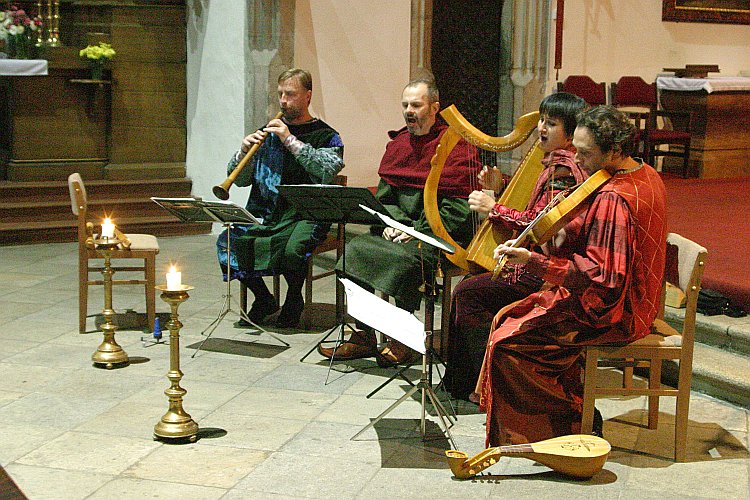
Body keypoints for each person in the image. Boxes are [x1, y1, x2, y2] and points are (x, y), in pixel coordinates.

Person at [478, 105, 667, 446]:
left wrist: (533, 261)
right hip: (642, 298)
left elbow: (600, 277)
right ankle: (566, 413)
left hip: (617, 313)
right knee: (512, 316)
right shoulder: (645, 174)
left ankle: (571, 420)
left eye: (585, 153)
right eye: (576, 150)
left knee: (509, 342)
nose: (576, 161)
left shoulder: (613, 197)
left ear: (615, 150)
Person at [318, 75, 479, 365]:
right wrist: (395, 224)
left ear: (434, 108)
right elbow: (384, 198)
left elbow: (458, 209)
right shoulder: (398, 145)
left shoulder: (457, 146)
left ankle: (402, 337)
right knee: (353, 253)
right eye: (405, 105)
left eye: (416, 105)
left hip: (439, 236)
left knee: (404, 263)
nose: (408, 111)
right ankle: (363, 334)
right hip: (397, 229)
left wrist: (418, 231)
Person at [444, 92, 588, 401]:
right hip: (540, 263)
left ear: (572, 131)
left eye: (551, 124)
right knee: (470, 287)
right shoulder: (554, 165)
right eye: (541, 121)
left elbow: (538, 225)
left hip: (547, 273)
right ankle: (465, 382)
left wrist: (494, 207)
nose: (541, 129)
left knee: (467, 294)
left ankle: (483, 385)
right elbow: (536, 207)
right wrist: (502, 184)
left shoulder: (563, 172)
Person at [216, 68, 344, 328]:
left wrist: (290, 140)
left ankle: (294, 298)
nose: (284, 101)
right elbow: (239, 179)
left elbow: (326, 170)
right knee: (228, 241)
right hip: (266, 212)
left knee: (292, 248)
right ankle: (263, 298)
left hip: (306, 214)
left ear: (307, 96)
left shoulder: (328, 135)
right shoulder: (265, 134)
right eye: (281, 94)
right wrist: (243, 152)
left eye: (291, 94)